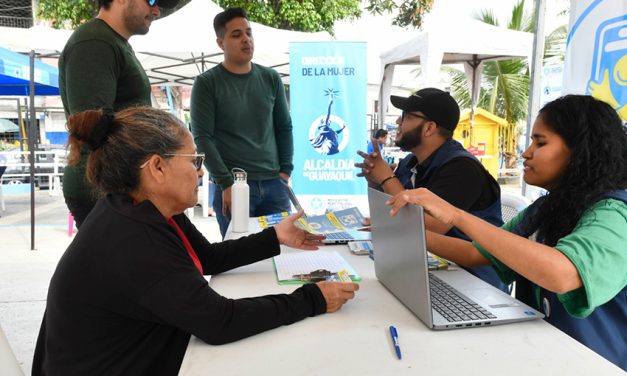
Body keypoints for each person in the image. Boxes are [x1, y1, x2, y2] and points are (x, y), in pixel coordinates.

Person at [32, 107, 359, 375]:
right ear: (157, 167)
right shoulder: (135, 237)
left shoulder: (142, 209)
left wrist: (274, 237)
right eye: (193, 161)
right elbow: (220, 322)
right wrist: (313, 299)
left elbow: (208, 258)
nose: (200, 172)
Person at [386, 95, 627, 370]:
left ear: (581, 151)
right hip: (543, 355)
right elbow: (476, 252)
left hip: (595, 364)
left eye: (541, 142)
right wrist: (401, 233)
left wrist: (456, 216)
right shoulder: (548, 207)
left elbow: (563, 274)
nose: (526, 152)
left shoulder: (615, 214)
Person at [356, 88, 506, 291]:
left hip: (474, 283)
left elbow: (425, 226)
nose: (399, 123)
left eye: (406, 116)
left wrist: (387, 178)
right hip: (430, 270)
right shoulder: (411, 162)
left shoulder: (462, 169)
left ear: (429, 128)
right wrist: (377, 181)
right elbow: (392, 212)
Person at [59, 0, 180, 228]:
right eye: (152, 1)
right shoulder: (94, 42)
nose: (156, 10)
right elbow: (93, 128)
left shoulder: (113, 41)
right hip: (102, 190)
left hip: (115, 187)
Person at [191, 7, 293, 238]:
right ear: (220, 43)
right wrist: (226, 182)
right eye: (236, 35)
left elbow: (284, 127)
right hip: (234, 187)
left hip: (275, 184)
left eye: (248, 33)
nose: (246, 39)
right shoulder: (207, 83)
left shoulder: (271, 78)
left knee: (283, 255)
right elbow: (202, 137)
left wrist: (285, 171)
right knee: (239, 260)